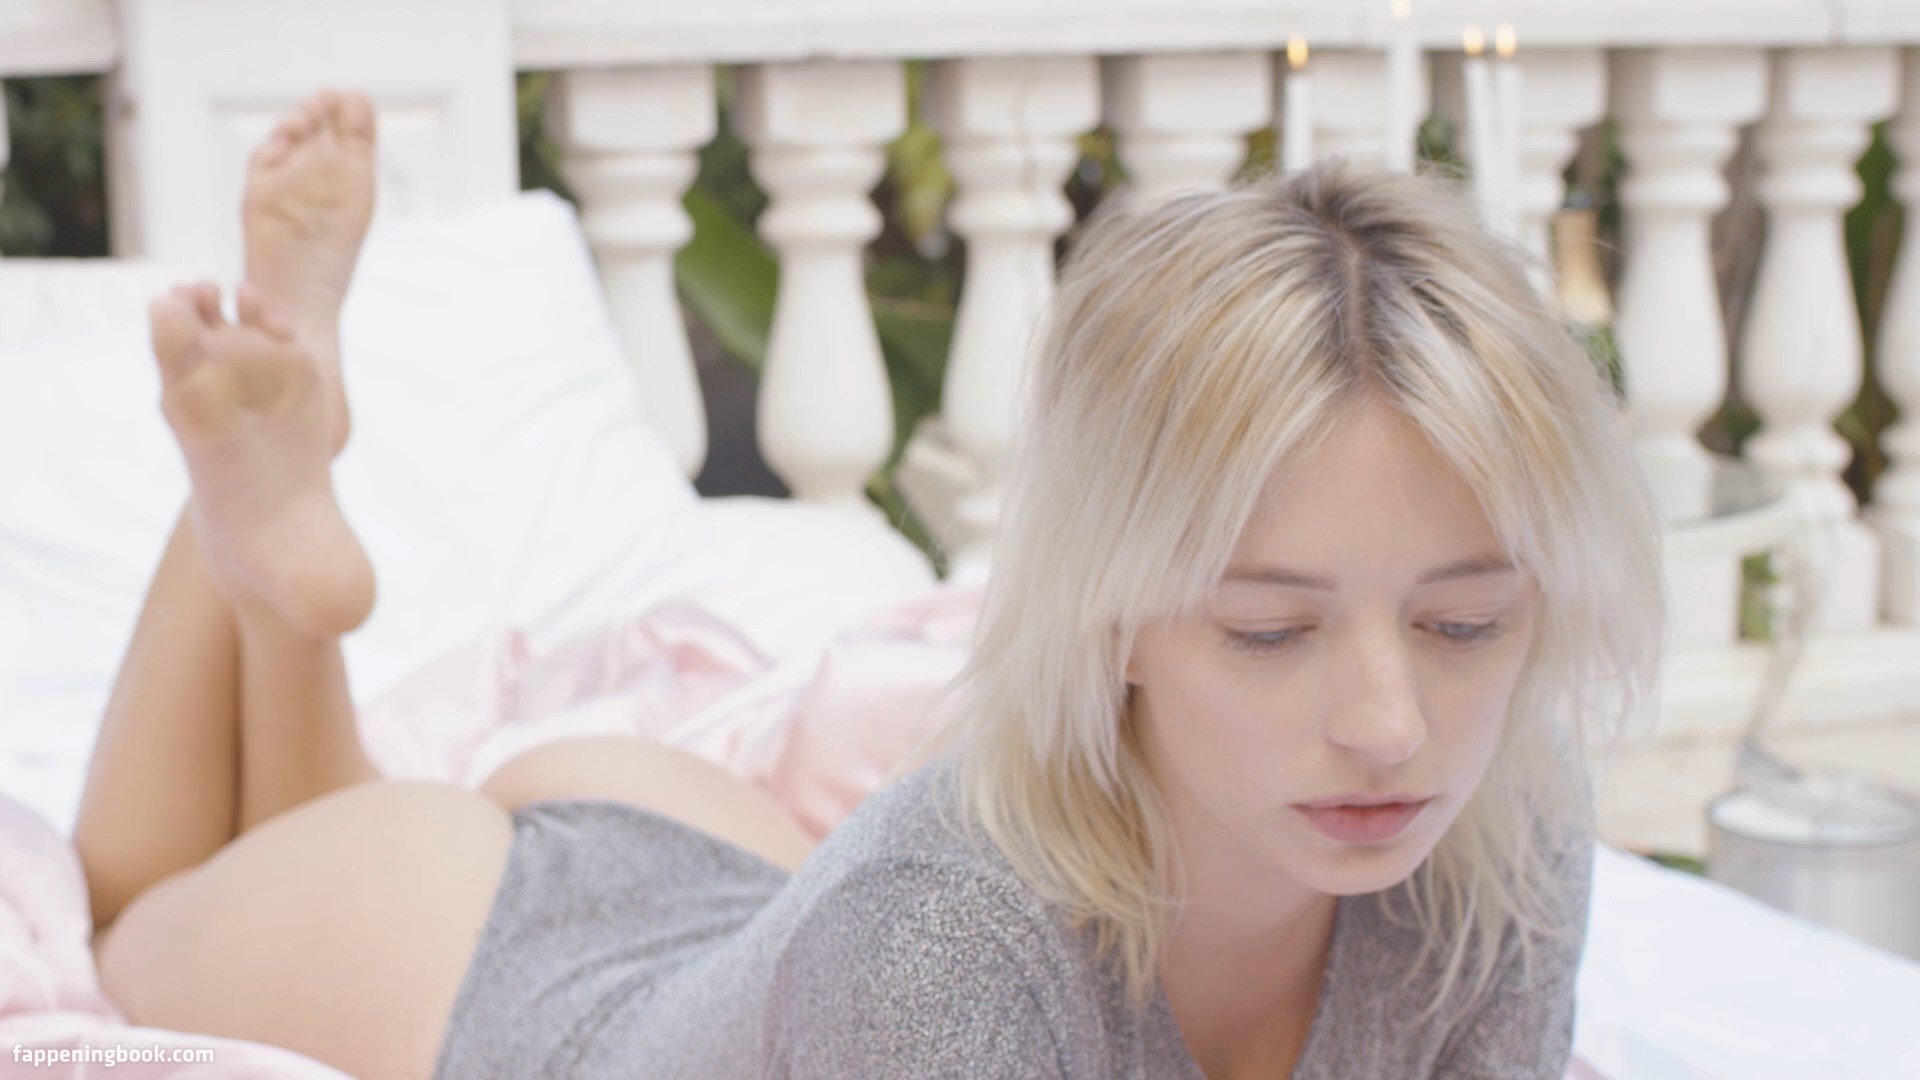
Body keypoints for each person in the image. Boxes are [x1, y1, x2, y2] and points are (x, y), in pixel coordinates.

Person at [77, 89, 1666, 1080]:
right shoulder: (943, 948)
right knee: (131, 909)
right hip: (488, 963)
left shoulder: (1506, 831)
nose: (1394, 725)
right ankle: (257, 542)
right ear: (1109, 612)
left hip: (734, 902)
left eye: (1467, 621)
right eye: (1270, 628)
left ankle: (276, 528)